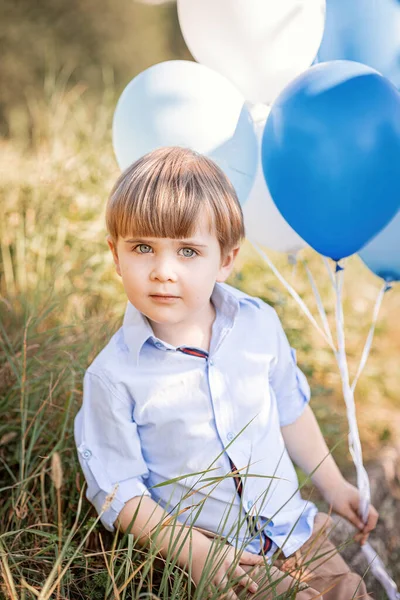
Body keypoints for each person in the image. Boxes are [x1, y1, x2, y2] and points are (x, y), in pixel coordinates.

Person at [74, 146, 378, 599]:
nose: (163, 271)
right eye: (142, 248)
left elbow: (289, 412)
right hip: (216, 557)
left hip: (292, 531)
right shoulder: (114, 376)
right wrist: (195, 552)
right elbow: (121, 491)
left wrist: (332, 484)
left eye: (188, 251)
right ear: (116, 256)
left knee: (349, 593)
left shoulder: (258, 325)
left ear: (227, 259)